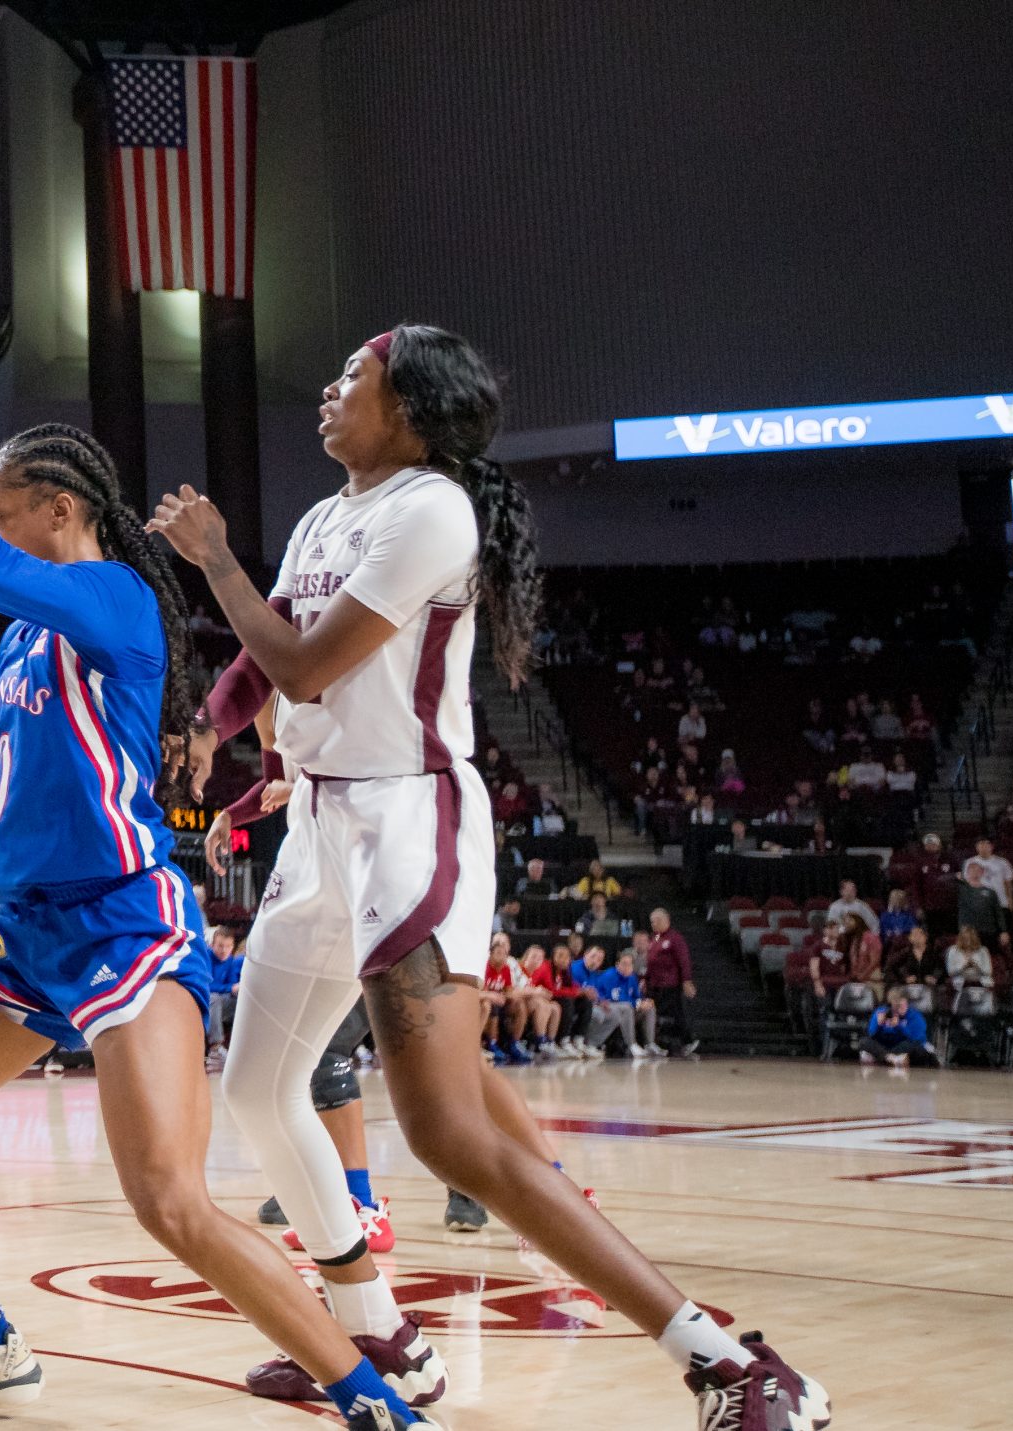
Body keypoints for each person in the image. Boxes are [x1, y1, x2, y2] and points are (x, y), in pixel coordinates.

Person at [150, 325, 824, 1427]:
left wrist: (214, 559)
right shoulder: (327, 516)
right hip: (318, 825)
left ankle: (732, 1365)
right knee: (261, 1089)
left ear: (407, 410)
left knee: (447, 1132)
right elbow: (259, 656)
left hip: (408, 819)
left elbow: (309, 670)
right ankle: (380, 1338)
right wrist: (206, 726)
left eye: (348, 381)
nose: (325, 392)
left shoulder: (432, 510)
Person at [0, 357, 416, 1423]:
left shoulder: (111, 602)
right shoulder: (24, 637)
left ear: (57, 509)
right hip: (20, 938)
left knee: (169, 1203)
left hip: (121, 926)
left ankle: (369, 1391)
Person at [642, 907, 699, 1057]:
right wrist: (644, 979)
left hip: (670, 984)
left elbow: (684, 960)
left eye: (656, 921)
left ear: (665, 920)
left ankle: (688, 1041)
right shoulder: (654, 938)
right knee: (654, 1013)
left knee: (676, 1014)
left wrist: (686, 980)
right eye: (652, 922)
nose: (653, 924)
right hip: (654, 983)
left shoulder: (675, 938)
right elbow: (650, 961)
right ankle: (655, 1042)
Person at [861, 988, 932, 1068]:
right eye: (896, 1006)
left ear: (907, 1002)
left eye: (902, 1004)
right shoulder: (881, 1012)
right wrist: (879, 1025)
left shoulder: (915, 1016)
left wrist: (899, 1026)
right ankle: (891, 1058)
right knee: (864, 1042)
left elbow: (918, 1038)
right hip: (884, 1045)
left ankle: (881, 1058)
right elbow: (871, 1034)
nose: (899, 1008)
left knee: (917, 1048)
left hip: (902, 1045)